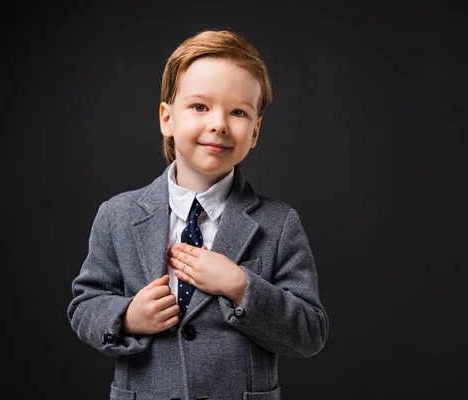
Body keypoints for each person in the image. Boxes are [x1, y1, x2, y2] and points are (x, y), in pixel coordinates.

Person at [67, 29, 328, 400]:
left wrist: (240, 286)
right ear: (166, 119)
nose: (219, 124)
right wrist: (126, 317)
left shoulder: (279, 224)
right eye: (200, 107)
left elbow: (309, 333)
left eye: (238, 112)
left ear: (254, 131)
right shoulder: (117, 215)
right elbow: (85, 305)